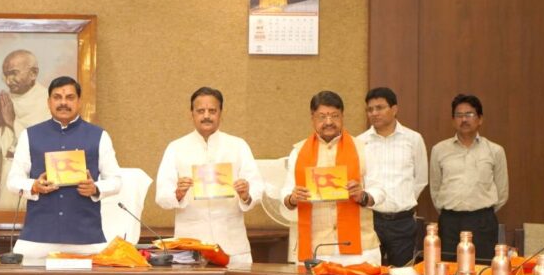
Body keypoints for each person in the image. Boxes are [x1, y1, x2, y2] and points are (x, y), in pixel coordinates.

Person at [6, 76, 122, 262]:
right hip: (37, 238)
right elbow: (13, 181)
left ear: (79, 102)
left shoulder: (99, 136)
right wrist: (34, 186)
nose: (63, 103)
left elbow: (116, 181)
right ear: (49, 102)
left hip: (86, 238)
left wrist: (95, 188)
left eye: (70, 97)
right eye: (57, 97)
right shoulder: (29, 135)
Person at [155, 87, 263, 265]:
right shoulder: (176, 148)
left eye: (212, 111)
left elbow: (258, 188)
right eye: (200, 111)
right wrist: (178, 194)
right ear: (191, 114)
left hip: (232, 245)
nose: (206, 116)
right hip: (191, 245)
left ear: (221, 113)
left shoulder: (238, 146)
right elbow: (161, 196)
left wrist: (246, 194)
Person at [281, 91, 381, 264]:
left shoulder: (363, 148)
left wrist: (363, 195)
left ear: (342, 116)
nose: (328, 122)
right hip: (316, 248)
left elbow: (380, 190)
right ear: (312, 118)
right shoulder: (298, 152)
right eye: (322, 117)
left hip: (360, 248)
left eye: (334, 116)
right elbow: (285, 193)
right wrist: (292, 198)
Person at [430, 94, 508, 261]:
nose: (464, 119)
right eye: (459, 115)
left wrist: (481, 212)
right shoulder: (439, 150)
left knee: (483, 270)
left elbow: (502, 192)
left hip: (483, 222)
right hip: (449, 222)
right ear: (453, 120)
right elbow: (435, 189)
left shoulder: (495, 151)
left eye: (469, 114)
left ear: (480, 119)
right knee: (448, 271)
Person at [356, 87, 428, 267]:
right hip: (370, 220)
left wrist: (402, 202)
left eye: (379, 108)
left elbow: (420, 179)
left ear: (394, 109)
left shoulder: (413, 139)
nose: (374, 113)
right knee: (369, 273)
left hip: (403, 222)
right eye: (370, 109)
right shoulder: (360, 142)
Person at [0, 49, 49, 210]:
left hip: (36, 175)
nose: (8, 81)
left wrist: (12, 122)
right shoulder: (6, 101)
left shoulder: (46, 101)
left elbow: (45, 144)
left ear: (33, 73)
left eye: (13, 73)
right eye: (6, 75)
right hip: (7, 171)